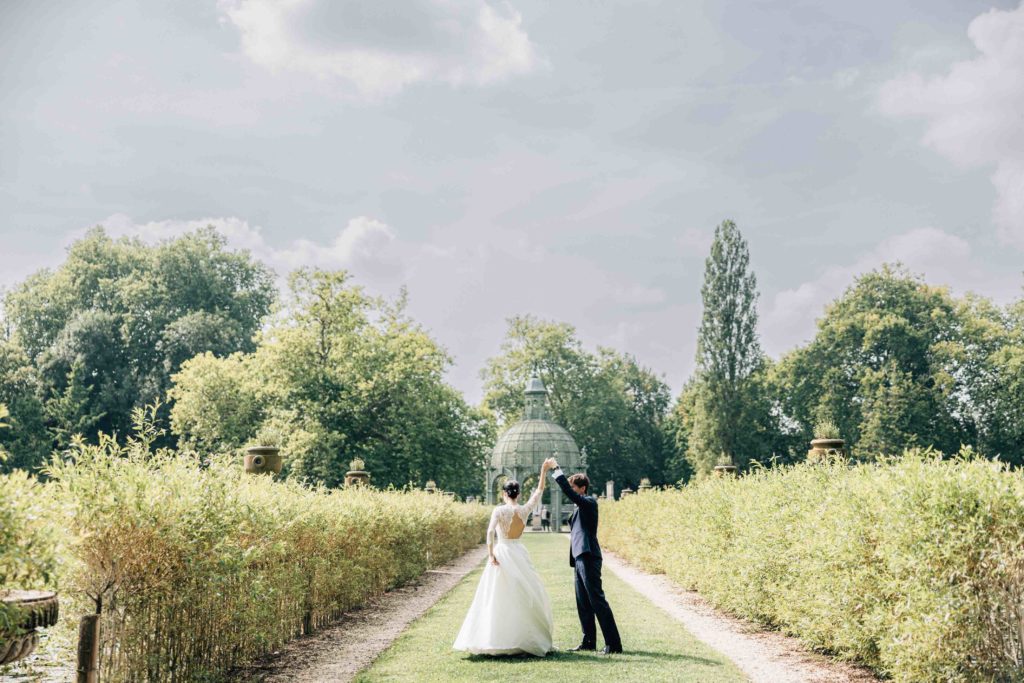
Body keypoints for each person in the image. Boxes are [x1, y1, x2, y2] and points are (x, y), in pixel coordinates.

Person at [453, 460, 555, 656]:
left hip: (502, 552)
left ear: (503, 493)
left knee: (495, 595)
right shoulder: (524, 510)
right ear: (518, 494)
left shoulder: (499, 510)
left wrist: (491, 554)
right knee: (523, 593)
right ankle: (524, 638)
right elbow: (539, 490)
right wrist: (543, 470)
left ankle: (494, 638)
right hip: (519, 552)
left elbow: (490, 532)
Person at [546, 456, 623, 654]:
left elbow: (570, 494)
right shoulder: (580, 507)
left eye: (573, 487)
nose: (571, 491)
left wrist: (557, 470)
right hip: (579, 557)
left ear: (581, 488)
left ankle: (613, 645)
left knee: (597, 599)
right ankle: (588, 641)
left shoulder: (589, 502)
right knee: (583, 602)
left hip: (589, 556)